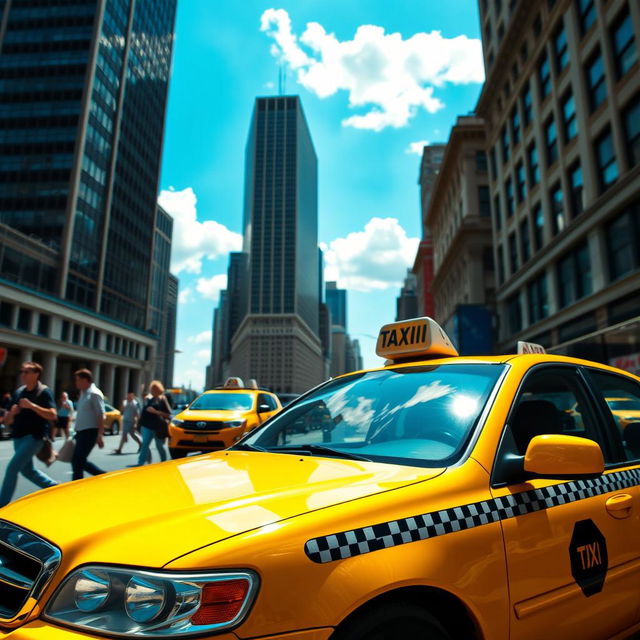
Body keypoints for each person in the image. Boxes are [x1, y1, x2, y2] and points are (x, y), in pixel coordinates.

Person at [0, 362, 58, 508]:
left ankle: (2, 505)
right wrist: (12, 413)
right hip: (18, 437)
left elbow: (52, 415)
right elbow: (7, 420)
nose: (23, 375)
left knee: (12, 468)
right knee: (28, 470)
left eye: (27, 372)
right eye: (22, 371)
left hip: (34, 437)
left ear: (36, 374)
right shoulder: (19, 392)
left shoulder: (44, 391)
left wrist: (32, 406)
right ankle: (55, 488)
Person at [72, 369, 106, 480]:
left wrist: (100, 435)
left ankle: (101, 476)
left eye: (77, 380)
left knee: (77, 460)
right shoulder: (83, 393)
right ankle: (102, 476)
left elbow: (100, 414)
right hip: (81, 432)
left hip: (90, 431)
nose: (76, 383)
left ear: (85, 380)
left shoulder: (94, 393)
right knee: (79, 461)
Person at [137, 380, 171, 466]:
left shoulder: (162, 399)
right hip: (146, 426)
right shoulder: (149, 398)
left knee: (159, 446)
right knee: (144, 445)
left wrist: (155, 412)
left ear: (158, 389)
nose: (152, 391)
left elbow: (168, 414)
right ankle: (140, 463)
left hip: (157, 427)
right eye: (151, 389)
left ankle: (164, 462)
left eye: (153, 389)